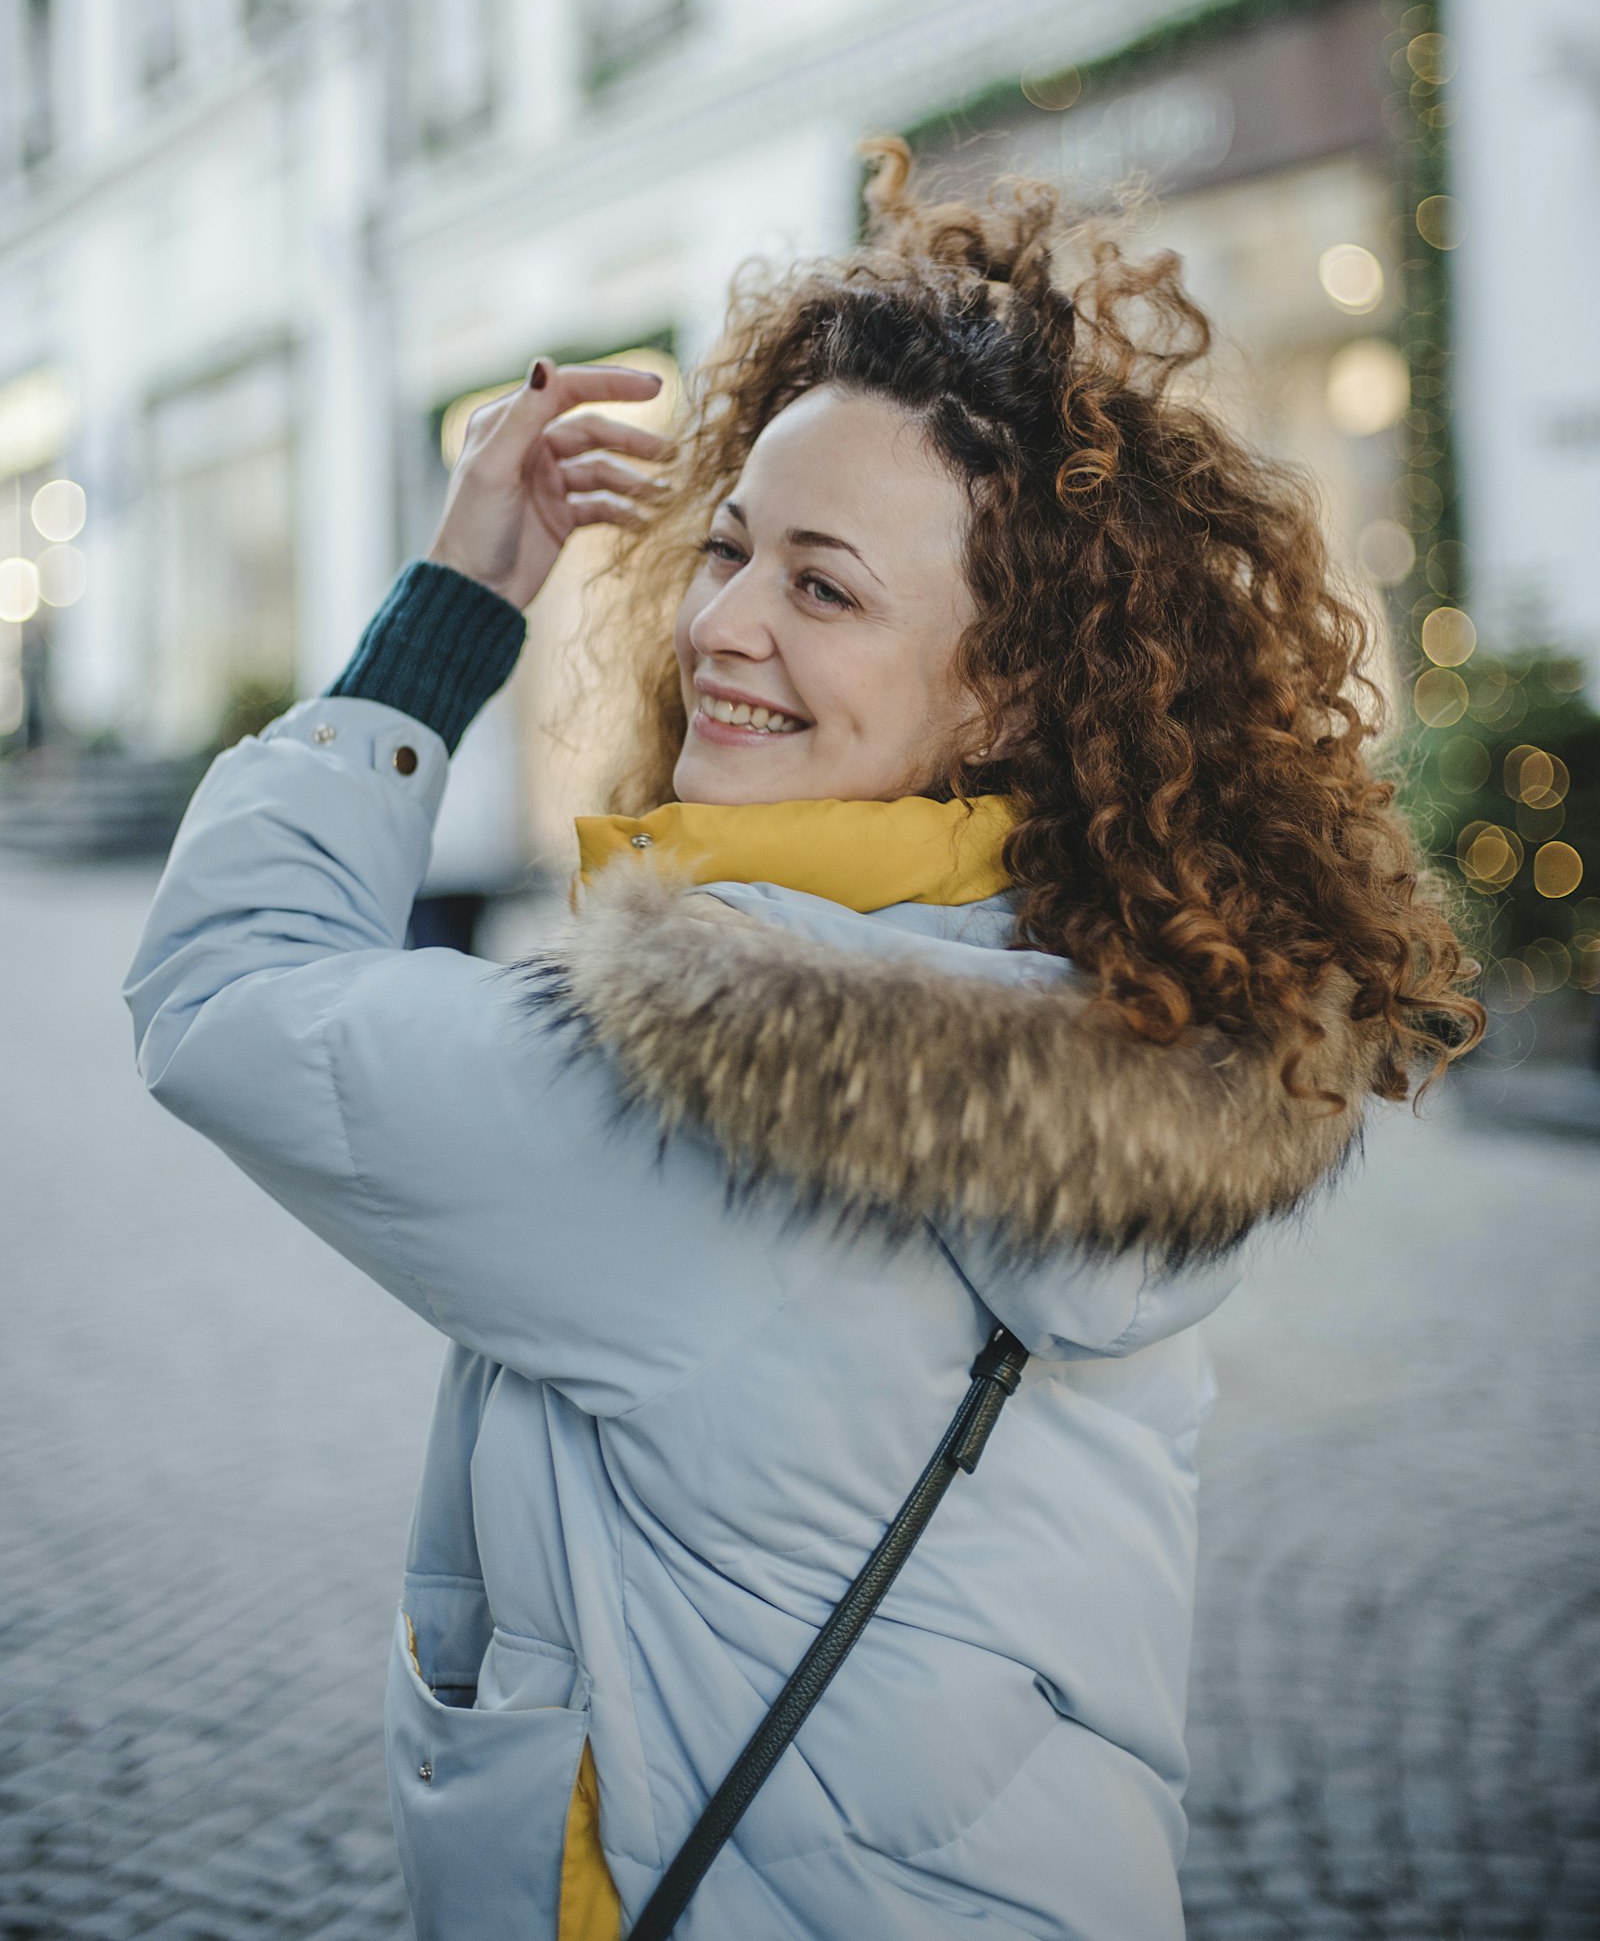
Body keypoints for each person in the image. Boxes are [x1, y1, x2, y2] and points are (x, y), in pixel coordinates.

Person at [125, 144, 1481, 1941]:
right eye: (730, 547)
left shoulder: (695, 1089)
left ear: (1005, 685)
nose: (719, 624)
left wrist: (458, 595)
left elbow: (218, 992)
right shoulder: (1120, 1007)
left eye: (824, 589)